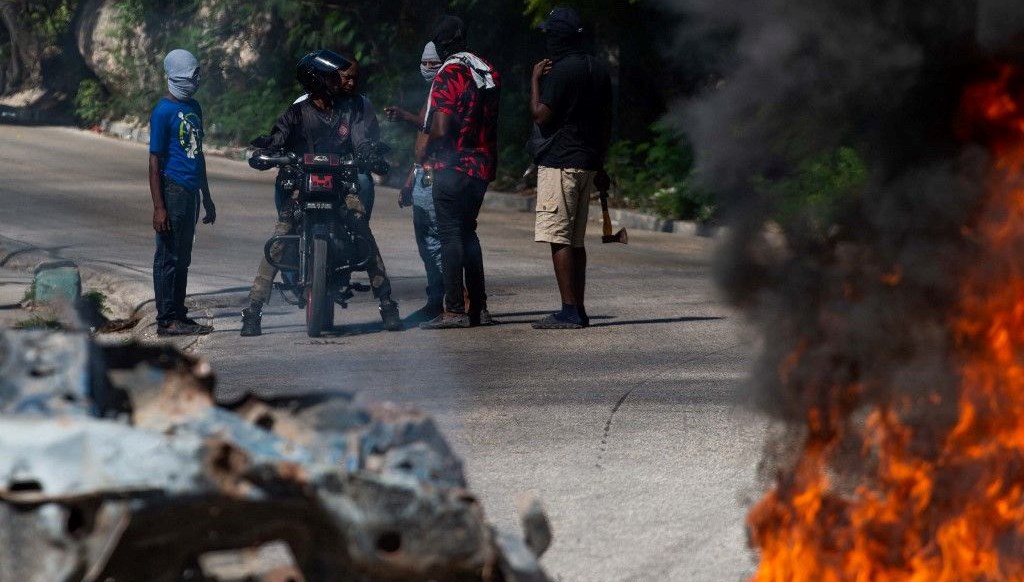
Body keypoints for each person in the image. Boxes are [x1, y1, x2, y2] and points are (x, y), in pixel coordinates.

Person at [240, 50, 402, 336]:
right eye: (331, 76)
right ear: (317, 79)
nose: (338, 81)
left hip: (340, 185)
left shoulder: (348, 110)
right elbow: (277, 138)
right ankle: (253, 312)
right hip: (301, 187)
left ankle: (387, 304)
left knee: (362, 231)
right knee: (279, 240)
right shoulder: (297, 112)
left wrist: (369, 155)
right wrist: (266, 153)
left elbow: (361, 140)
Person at [529, 7, 612, 330]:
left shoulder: (562, 71)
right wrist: (601, 163)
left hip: (561, 163)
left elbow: (541, 115)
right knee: (575, 241)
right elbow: (606, 123)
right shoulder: (598, 68)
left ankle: (569, 310)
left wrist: (535, 80)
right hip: (588, 162)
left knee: (559, 237)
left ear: (557, 38)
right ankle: (579, 308)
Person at [416, 16, 502, 330]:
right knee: (469, 234)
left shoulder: (449, 72)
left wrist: (427, 147)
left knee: (451, 235)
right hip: (481, 167)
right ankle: (479, 308)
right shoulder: (487, 70)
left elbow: (441, 126)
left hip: (452, 167)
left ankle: (454, 310)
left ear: (440, 46)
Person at [148, 48, 217, 337]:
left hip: (191, 192)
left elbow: (197, 155)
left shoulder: (195, 108)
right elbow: (154, 161)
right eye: (192, 75)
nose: (196, 80)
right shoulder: (162, 112)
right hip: (172, 190)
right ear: (175, 77)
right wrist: (159, 206)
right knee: (168, 257)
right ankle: (166, 319)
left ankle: (179, 312)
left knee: (183, 257)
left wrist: (207, 196)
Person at [384, 41, 445, 323]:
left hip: (436, 177)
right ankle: (438, 300)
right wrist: (411, 179)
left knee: (437, 242)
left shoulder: (445, 90)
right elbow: (423, 134)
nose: (428, 68)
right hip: (424, 175)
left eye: (434, 63)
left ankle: (452, 299)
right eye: (425, 63)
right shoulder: (432, 92)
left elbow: (433, 134)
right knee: (427, 243)